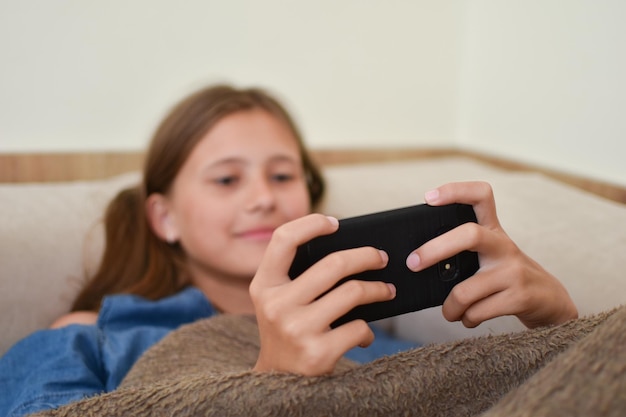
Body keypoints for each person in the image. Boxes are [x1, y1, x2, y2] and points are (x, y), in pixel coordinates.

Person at [0, 85, 578, 416]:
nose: (262, 199)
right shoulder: (92, 335)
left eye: (282, 176)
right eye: (227, 180)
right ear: (164, 216)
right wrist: (266, 385)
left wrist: (559, 327)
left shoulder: (380, 336)